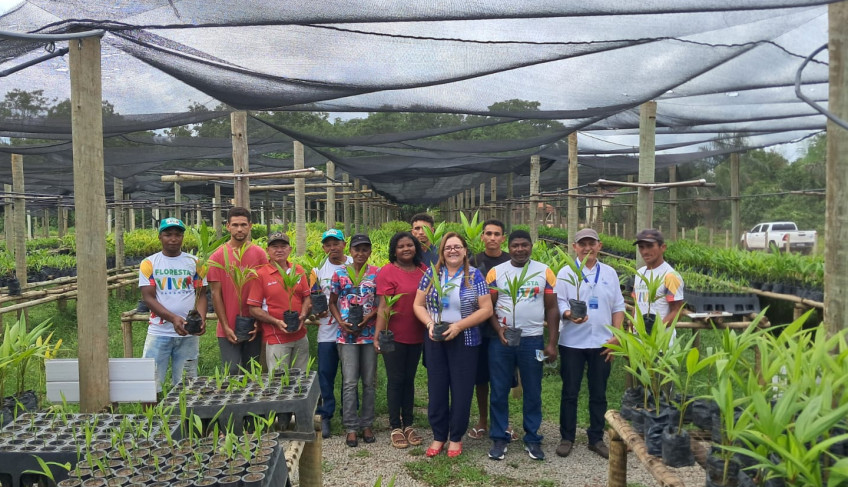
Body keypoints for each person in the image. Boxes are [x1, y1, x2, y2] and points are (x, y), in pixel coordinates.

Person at [413, 232, 492, 458]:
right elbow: (418, 304)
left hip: (465, 339)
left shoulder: (475, 276)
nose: (453, 251)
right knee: (436, 388)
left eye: (457, 247)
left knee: (462, 389)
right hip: (436, 338)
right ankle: (439, 436)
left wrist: (459, 326)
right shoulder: (432, 273)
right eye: (448, 247)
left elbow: (486, 309)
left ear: (465, 251)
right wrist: (429, 323)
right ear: (442, 252)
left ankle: (456, 437)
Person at [486, 230, 558, 461]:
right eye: (515, 245)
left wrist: (552, 342)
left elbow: (552, 308)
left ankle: (533, 438)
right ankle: (499, 436)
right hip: (502, 341)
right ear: (509, 247)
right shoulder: (497, 272)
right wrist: (499, 331)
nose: (520, 249)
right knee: (498, 390)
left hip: (533, 339)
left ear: (531, 246)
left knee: (533, 389)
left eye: (524, 245)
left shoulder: (544, 271)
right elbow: (489, 308)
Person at [555, 228, 625, 460]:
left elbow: (618, 306)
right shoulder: (566, 272)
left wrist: (616, 337)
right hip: (572, 342)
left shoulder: (609, 273)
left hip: (602, 342)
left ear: (599, 245)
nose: (587, 248)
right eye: (582, 244)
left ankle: (596, 438)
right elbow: (559, 301)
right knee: (570, 391)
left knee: (599, 392)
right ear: (574, 247)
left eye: (591, 243)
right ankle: (567, 437)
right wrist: (568, 314)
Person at [138, 217, 206, 394]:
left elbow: (201, 295)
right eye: (168, 234)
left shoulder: (196, 263)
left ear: (183, 237)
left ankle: (185, 418)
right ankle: (151, 420)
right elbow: (148, 297)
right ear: (160, 236)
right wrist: (173, 318)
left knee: (187, 383)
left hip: (188, 333)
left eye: (178, 234)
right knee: (150, 381)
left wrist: (201, 319)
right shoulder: (149, 263)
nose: (173, 239)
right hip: (159, 332)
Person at [374, 232, 427, 449]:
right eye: (401, 246)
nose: (406, 249)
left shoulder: (424, 270)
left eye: (410, 245)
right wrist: (378, 334)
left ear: (416, 247)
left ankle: (409, 424)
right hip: (393, 335)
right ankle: (395, 426)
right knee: (396, 380)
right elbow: (384, 306)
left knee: (409, 379)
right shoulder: (387, 271)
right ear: (394, 250)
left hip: (417, 334)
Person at [330, 233, 380, 448]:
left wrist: (370, 316)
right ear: (350, 251)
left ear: (370, 252)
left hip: (369, 336)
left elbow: (381, 303)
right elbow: (332, 301)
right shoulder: (340, 273)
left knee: (369, 382)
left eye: (365, 249)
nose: (361, 253)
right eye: (357, 249)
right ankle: (351, 426)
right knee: (349, 382)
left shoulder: (377, 273)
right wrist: (340, 321)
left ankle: (367, 423)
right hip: (346, 335)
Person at [207, 207, 268, 375]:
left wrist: (258, 322)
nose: (239, 229)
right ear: (228, 226)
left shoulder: (259, 254)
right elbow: (215, 294)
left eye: (243, 224)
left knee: (252, 371)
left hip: (253, 326)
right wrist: (226, 326)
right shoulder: (217, 257)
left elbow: (264, 290)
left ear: (250, 226)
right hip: (227, 327)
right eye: (235, 225)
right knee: (232, 370)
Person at [468, 219, 511, 440]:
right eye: (488, 233)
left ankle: (503, 421)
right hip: (478, 329)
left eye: (497, 234)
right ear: (482, 236)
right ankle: (483, 420)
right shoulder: (472, 261)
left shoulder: (511, 262)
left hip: (503, 328)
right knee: (481, 377)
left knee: (503, 378)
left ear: (503, 238)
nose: (493, 237)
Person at [246, 232, 310, 373]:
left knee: (302, 380)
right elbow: (253, 308)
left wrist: (304, 315)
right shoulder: (260, 274)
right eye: (274, 247)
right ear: (268, 250)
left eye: (283, 246)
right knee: (279, 384)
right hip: (276, 338)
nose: (279, 250)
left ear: (290, 249)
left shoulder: (297, 270)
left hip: (300, 336)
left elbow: (307, 297)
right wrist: (276, 321)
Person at [310, 228, 353, 439]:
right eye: (328, 244)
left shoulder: (355, 264)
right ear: (323, 247)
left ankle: (350, 414)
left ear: (344, 244)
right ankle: (325, 415)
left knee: (350, 375)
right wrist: (315, 309)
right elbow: (312, 297)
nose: (332, 248)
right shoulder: (318, 270)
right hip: (327, 330)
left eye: (336, 243)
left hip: (352, 330)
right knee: (326, 375)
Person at [633, 229, 684, 330]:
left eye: (650, 246)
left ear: (663, 247)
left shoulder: (670, 276)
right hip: (639, 339)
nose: (645, 251)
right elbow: (636, 305)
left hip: (660, 342)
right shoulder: (639, 273)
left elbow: (677, 311)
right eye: (641, 247)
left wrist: (655, 331)